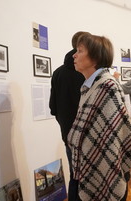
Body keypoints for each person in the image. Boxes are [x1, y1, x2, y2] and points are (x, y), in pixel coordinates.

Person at [67, 33, 131, 201]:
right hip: (91, 164)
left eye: (80, 50)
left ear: (95, 57)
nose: (74, 54)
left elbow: (110, 140)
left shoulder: (107, 86)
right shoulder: (90, 86)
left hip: (104, 170)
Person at [49, 31, 88, 201]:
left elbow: (53, 107)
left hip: (68, 134)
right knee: (91, 180)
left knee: (75, 176)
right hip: (88, 137)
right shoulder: (88, 73)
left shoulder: (58, 73)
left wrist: (65, 125)